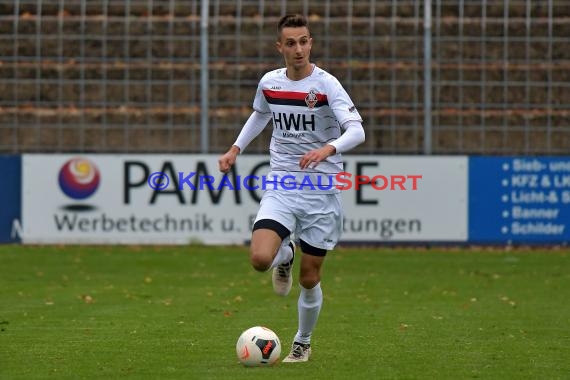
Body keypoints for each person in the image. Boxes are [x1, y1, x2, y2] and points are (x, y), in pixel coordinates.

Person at [218, 14, 365, 362]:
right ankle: (283, 255)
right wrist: (235, 148)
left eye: (304, 41)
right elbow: (260, 114)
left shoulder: (327, 85)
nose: (298, 49)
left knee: (310, 278)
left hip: (321, 191)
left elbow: (357, 130)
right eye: (291, 43)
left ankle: (302, 342)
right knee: (258, 259)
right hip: (282, 183)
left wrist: (329, 148)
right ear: (280, 47)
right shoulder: (270, 82)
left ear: (310, 43)